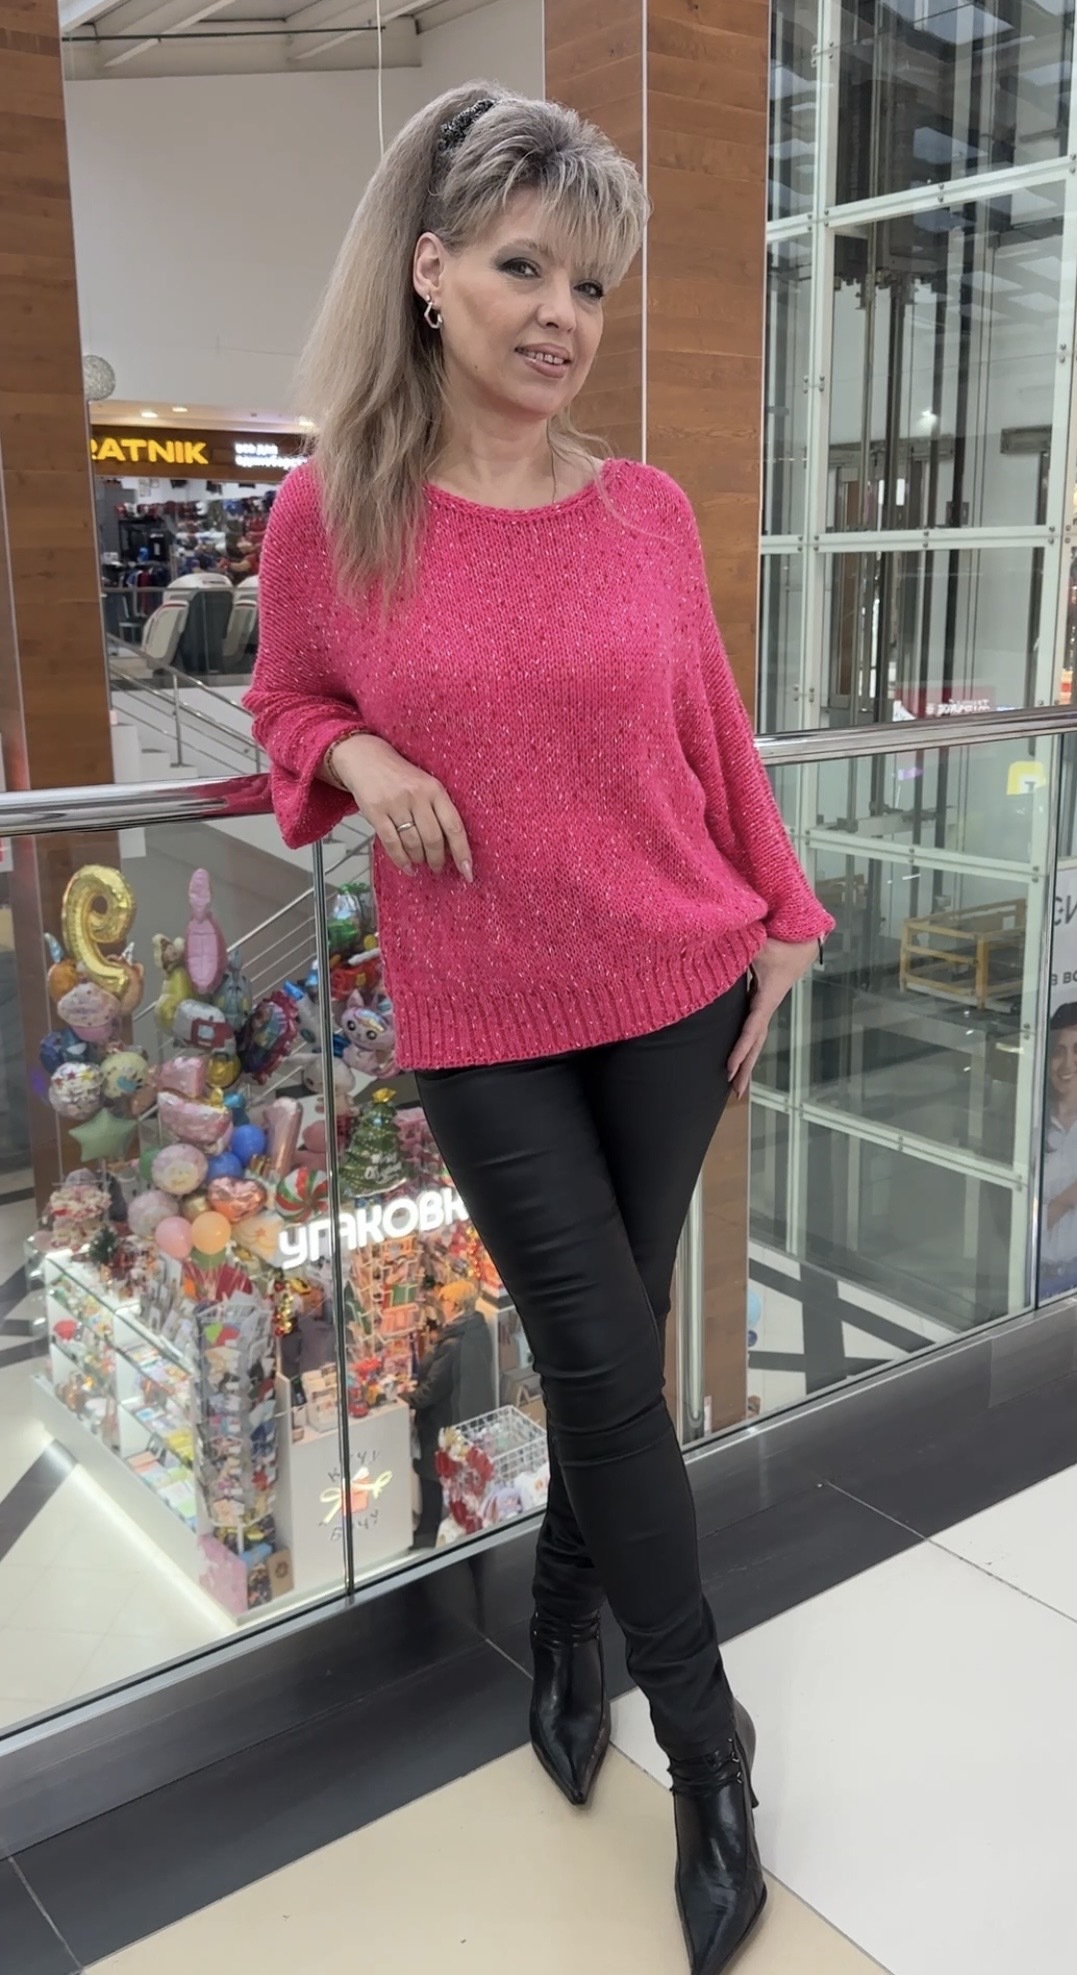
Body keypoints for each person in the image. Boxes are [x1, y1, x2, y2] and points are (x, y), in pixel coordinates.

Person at [245, 83, 833, 1975]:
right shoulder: (335, 511)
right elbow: (282, 700)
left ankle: (566, 1612)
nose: (561, 313)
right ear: (430, 273)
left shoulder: (641, 509)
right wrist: (356, 751)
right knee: (597, 1346)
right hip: (482, 1009)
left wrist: (784, 919)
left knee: (608, 1357)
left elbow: (711, 735)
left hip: (674, 982)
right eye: (523, 268)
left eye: (587, 283)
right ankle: (709, 1752)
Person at [1040, 1002, 1077, 1297]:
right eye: (1059, 1051)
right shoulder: (1030, 1127)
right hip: (1036, 1281)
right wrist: (1067, 1199)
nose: (1067, 1064)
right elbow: (1016, 1227)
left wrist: (1056, 1203)